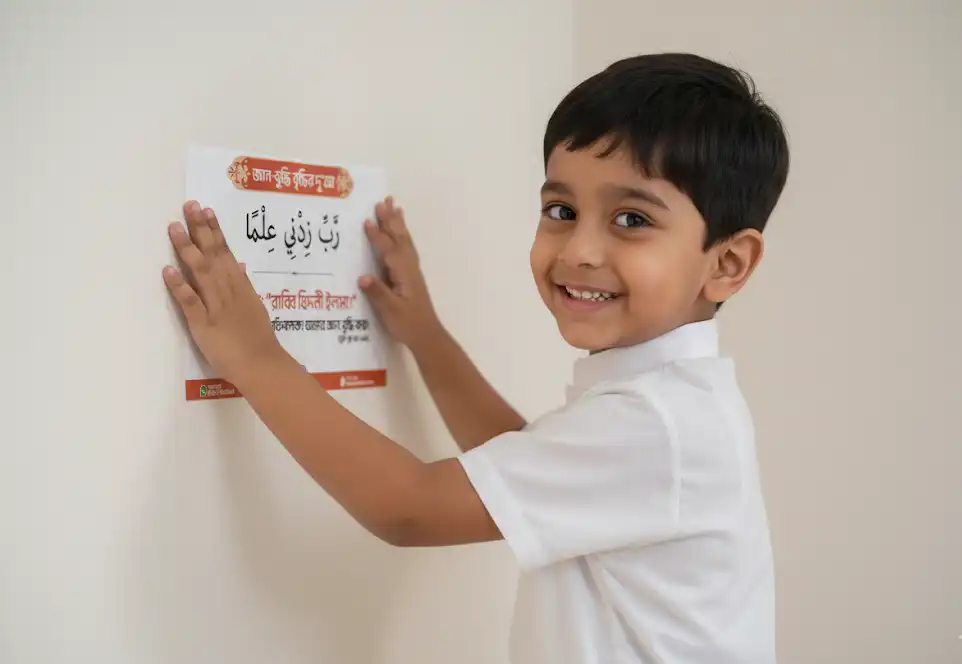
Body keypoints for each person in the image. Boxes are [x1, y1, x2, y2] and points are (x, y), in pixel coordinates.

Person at [161, 52, 790, 664]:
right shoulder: (669, 399)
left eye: (630, 218)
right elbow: (518, 458)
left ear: (727, 263)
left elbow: (409, 507)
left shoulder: (658, 422)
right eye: (561, 211)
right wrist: (427, 337)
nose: (581, 249)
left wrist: (256, 356)